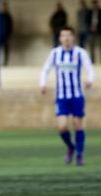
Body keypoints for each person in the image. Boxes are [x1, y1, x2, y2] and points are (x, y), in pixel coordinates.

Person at [39, 27, 95, 167]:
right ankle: (71, 146)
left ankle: (80, 155)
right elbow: (45, 69)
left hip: (77, 95)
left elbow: (90, 68)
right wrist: (42, 84)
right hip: (61, 96)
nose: (66, 38)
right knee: (62, 127)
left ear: (73, 37)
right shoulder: (55, 53)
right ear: (60, 38)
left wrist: (90, 80)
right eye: (63, 35)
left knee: (77, 124)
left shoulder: (80, 53)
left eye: (69, 35)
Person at [88, 0, 101, 64]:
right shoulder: (90, 12)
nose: (94, 5)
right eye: (93, 4)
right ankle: (92, 60)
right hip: (92, 31)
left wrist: (97, 27)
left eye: (95, 3)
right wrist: (91, 27)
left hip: (100, 31)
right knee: (91, 46)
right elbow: (87, 21)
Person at [0, 1, 14, 66]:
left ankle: (5, 62)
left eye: (5, 6)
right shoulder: (0, 16)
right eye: (3, 6)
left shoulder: (8, 16)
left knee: (6, 50)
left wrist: (9, 35)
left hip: (6, 36)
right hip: (0, 36)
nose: (4, 8)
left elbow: (11, 26)